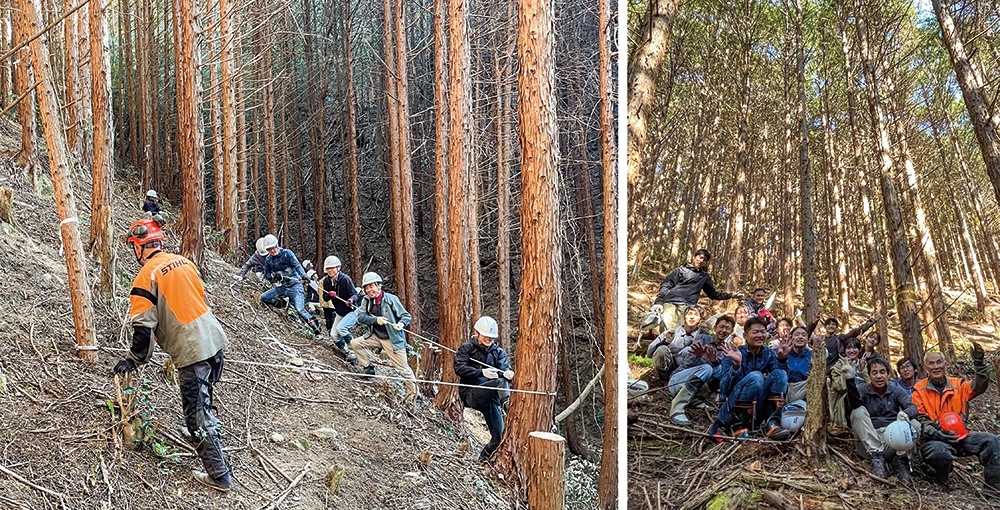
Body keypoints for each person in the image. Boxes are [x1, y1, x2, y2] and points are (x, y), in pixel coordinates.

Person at [113, 217, 231, 491]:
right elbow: (196, 297)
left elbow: (143, 329)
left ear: (139, 247)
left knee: (196, 415)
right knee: (204, 400)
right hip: (214, 338)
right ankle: (204, 433)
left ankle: (219, 475)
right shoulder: (183, 262)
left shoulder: (146, 276)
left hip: (192, 349)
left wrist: (134, 360)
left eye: (133, 247)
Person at [912, 345, 999, 493]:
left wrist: (979, 362)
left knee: (991, 441)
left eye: (939, 362)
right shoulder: (919, 389)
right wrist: (936, 433)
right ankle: (941, 479)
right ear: (926, 367)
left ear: (945, 364)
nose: (936, 366)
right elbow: (920, 419)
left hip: (961, 436)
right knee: (940, 452)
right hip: (935, 439)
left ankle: (994, 490)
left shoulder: (957, 384)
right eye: (931, 363)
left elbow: (979, 386)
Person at [709, 316, 788, 440]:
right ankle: (738, 426)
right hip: (731, 410)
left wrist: (782, 359)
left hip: (758, 409)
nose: (760, 335)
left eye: (763, 332)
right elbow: (724, 388)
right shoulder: (734, 352)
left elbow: (779, 381)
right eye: (755, 332)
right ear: (745, 336)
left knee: (780, 373)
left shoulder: (768, 353)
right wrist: (736, 365)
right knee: (756, 376)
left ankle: (772, 422)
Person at [845, 357, 921, 480]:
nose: (879, 376)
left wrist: (905, 414)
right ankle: (877, 458)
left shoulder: (896, 391)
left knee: (915, 424)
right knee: (858, 411)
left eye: (882, 372)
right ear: (869, 375)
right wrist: (850, 381)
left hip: (892, 440)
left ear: (888, 374)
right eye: (874, 373)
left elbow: (912, 407)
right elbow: (852, 405)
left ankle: (900, 460)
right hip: (868, 442)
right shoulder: (863, 389)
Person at [454, 316, 514, 462]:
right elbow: (459, 368)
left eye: (491, 338)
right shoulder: (467, 348)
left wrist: (507, 374)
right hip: (471, 394)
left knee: (498, 437)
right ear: (477, 333)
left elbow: (503, 371)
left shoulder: (499, 353)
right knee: (499, 382)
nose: (488, 340)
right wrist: (481, 372)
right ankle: (510, 409)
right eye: (486, 336)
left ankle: (481, 461)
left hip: (491, 398)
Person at [353, 272, 417, 402]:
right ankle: (368, 368)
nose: (369, 290)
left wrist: (400, 324)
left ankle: (415, 397)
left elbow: (406, 316)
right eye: (367, 287)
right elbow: (360, 317)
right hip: (375, 336)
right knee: (355, 343)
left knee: (404, 369)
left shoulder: (391, 299)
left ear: (379, 286)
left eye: (372, 286)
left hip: (392, 339)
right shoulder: (366, 300)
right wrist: (376, 320)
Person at [647, 249, 743, 332]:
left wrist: (731, 295)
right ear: (694, 257)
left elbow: (712, 294)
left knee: (679, 329)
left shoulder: (704, 276)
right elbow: (666, 285)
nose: (701, 261)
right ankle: (660, 349)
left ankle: (674, 351)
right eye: (700, 257)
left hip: (688, 305)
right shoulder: (680, 270)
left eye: (704, 260)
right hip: (670, 302)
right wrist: (659, 302)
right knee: (664, 325)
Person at [259, 234, 325, 341]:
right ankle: (286, 305)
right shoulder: (268, 260)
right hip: (283, 287)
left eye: (274, 247)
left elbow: (297, 265)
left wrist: (304, 275)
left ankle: (317, 331)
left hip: (295, 286)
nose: (273, 251)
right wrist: (274, 278)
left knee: (300, 309)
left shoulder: (287, 253)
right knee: (264, 297)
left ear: (277, 244)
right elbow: (267, 275)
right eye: (270, 249)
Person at [662, 307, 716, 425]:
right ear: (715, 328)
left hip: (693, 384)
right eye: (721, 327)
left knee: (719, 369)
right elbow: (688, 361)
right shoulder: (703, 338)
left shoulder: (727, 349)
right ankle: (676, 407)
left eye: (728, 328)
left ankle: (696, 400)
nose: (724, 331)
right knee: (707, 368)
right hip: (677, 380)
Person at [645, 305, 708, 384]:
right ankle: (665, 380)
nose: (692, 317)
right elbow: (651, 351)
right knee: (662, 350)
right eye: (689, 314)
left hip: (689, 369)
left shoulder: (704, 336)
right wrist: (665, 341)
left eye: (696, 315)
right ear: (684, 317)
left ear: (700, 320)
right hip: (671, 365)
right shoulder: (672, 332)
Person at [317, 256, 360, 359]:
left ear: (338, 268)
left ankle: (355, 350)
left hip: (351, 311)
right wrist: (330, 295)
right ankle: (346, 351)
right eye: (328, 269)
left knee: (341, 328)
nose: (330, 271)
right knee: (333, 335)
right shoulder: (326, 281)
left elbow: (355, 294)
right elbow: (325, 298)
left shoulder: (345, 279)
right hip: (339, 312)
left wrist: (350, 300)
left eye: (332, 268)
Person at [780, 322, 816, 403]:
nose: (800, 337)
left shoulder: (812, 354)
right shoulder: (784, 353)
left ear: (808, 339)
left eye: (803, 335)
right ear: (791, 338)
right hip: (787, 388)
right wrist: (781, 359)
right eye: (797, 335)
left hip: (805, 387)